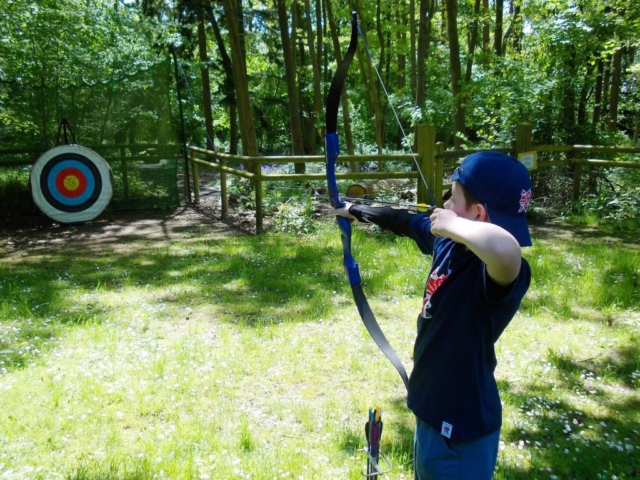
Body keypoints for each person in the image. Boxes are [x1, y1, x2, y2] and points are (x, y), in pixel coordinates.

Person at [330, 151, 532, 479]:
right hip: (432, 406)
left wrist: (453, 225)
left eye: (452, 199)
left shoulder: (497, 271)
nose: (444, 207)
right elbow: (406, 221)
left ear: (478, 214)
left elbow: (507, 251)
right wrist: (356, 210)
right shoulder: (449, 244)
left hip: (462, 428)